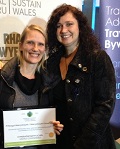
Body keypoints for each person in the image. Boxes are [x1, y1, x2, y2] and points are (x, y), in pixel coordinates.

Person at [41, 3, 116, 149]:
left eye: (69, 24)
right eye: (58, 26)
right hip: (60, 141)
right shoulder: (51, 62)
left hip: (91, 144)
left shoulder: (97, 58)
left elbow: (105, 106)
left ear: (80, 27)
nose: (63, 30)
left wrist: (82, 145)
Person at [0, 24, 64, 149]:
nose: (35, 48)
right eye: (30, 42)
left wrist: (53, 127)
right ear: (21, 45)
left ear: (45, 49)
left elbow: (52, 118)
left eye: (41, 44)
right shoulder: (0, 77)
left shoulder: (49, 83)